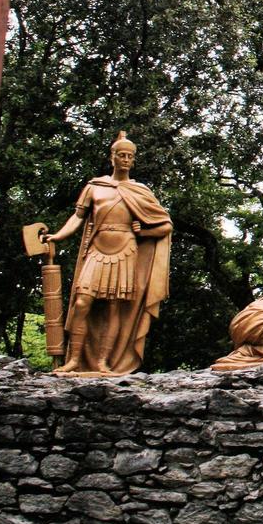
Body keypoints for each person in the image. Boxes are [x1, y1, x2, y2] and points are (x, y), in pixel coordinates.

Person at [42, 131, 172, 375]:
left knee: (114, 308)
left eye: (129, 156)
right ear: (112, 157)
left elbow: (165, 225)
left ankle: (104, 362)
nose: (125, 159)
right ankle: (74, 360)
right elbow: (78, 217)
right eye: (121, 155)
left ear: (133, 160)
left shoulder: (140, 190)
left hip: (125, 251)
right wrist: (58, 235)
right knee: (82, 303)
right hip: (97, 250)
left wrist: (142, 232)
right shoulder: (95, 186)